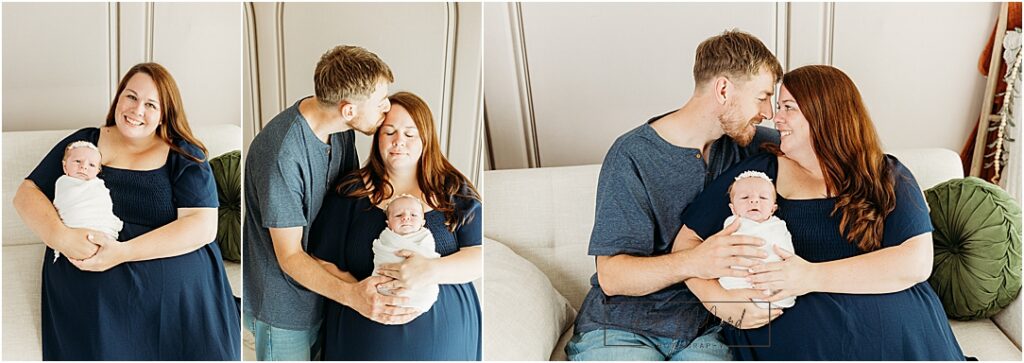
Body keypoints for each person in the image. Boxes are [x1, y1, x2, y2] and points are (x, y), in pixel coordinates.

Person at [678, 65, 965, 360]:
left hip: (901, 336)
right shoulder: (760, 177)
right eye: (778, 107)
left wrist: (810, 276)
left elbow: (916, 263)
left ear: (825, 114)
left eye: (788, 107)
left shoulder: (885, 174)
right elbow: (686, 244)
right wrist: (721, 303)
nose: (776, 118)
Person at [566, 29, 784, 361]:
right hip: (624, 327)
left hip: (709, 333)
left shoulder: (750, 145)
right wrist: (695, 260)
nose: (768, 112)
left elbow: (821, 148)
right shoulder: (633, 154)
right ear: (723, 89)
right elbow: (612, 276)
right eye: (762, 97)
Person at [12, 62, 240, 360]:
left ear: (164, 113)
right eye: (131, 97)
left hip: (169, 266)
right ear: (118, 98)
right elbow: (27, 194)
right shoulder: (86, 143)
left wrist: (121, 252)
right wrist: (61, 237)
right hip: (91, 271)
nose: (137, 111)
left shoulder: (183, 153)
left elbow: (202, 226)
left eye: (150, 104)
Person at [242, 45, 396, 360]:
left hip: (324, 293)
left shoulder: (342, 130)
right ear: (348, 109)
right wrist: (354, 295)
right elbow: (290, 257)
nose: (388, 107)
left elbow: (348, 198)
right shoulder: (281, 155)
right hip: (283, 308)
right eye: (380, 103)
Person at [310, 91, 482, 360]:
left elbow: (479, 256)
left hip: (446, 340)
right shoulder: (350, 193)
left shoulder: (453, 191)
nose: (398, 141)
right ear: (377, 137)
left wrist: (430, 270)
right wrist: (359, 296)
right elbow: (322, 261)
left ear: (426, 138)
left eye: (410, 134)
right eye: (389, 132)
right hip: (364, 335)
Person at [714, 170, 795, 309]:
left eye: (763, 198)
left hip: (772, 276)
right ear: (733, 209)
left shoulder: (778, 226)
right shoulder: (732, 224)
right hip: (740, 280)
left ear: (773, 208)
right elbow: (721, 251)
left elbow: (787, 251)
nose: (754, 200)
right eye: (745, 197)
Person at [52, 141, 122, 262]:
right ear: (65, 166)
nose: (83, 166)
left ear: (98, 171)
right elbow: (63, 205)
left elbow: (103, 206)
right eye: (77, 161)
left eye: (92, 165)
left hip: (100, 228)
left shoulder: (98, 186)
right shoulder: (63, 183)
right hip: (73, 230)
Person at [372, 194, 441, 312]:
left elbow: (431, 259)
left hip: (421, 289)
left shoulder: (425, 238)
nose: (406, 218)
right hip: (386, 290)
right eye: (398, 215)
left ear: (423, 222)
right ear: (388, 223)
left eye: (413, 215)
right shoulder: (386, 238)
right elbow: (381, 255)